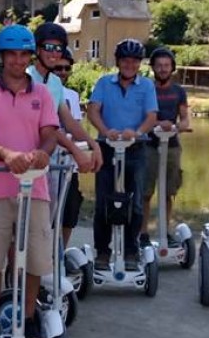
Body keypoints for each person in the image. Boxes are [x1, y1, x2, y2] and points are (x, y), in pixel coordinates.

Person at [0, 25, 61, 338]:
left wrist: (42, 153)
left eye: (24, 54)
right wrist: (7, 155)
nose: (18, 61)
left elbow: (50, 133)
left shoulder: (42, 94)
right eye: (12, 54)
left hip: (34, 188)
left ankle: (30, 315)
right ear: (2, 56)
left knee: (35, 259)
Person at [86, 39, 158, 272]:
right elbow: (93, 110)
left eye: (134, 61)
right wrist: (107, 132)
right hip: (106, 148)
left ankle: (130, 251)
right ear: (118, 61)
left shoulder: (146, 86)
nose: (130, 65)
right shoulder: (104, 83)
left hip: (135, 149)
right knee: (104, 203)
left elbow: (151, 116)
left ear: (139, 63)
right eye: (125, 60)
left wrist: (136, 133)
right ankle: (103, 253)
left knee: (135, 203)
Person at [29, 21, 102, 182]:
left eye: (59, 49)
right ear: (37, 49)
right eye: (49, 47)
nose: (54, 53)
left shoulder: (55, 82)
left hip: (49, 156)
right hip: (27, 157)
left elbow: (68, 121)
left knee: (53, 206)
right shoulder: (27, 79)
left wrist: (93, 144)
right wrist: (75, 150)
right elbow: (45, 127)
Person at [141, 46, 191, 245]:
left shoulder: (179, 91)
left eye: (166, 65)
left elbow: (186, 118)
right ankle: (143, 233)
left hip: (171, 146)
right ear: (153, 67)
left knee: (168, 192)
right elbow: (140, 118)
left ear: (172, 68)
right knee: (145, 192)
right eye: (159, 65)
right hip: (149, 146)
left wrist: (179, 126)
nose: (162, 69)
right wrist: (157, 124)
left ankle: (164, 230)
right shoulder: (146, 88)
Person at [51, 47, 85, 250]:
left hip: (68, 163)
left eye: (66, 68)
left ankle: (60, 252)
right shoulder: (42, 88)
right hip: (49, 160)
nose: (62, 72)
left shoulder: (72, 95)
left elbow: (75, 127)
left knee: (71, 208)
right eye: (58, 68)